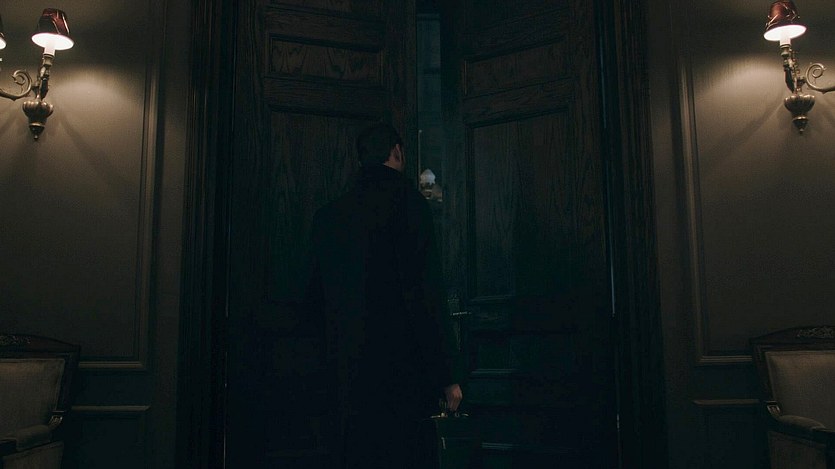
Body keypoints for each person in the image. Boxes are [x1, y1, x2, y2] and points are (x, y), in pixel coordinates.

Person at [305, 122, 463, 468]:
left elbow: (315, 301)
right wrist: (446, 374)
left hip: (347, 373)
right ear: (397, 152)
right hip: (402, 372)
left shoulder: (328, 217)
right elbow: (427, 295)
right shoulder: (411, 207)